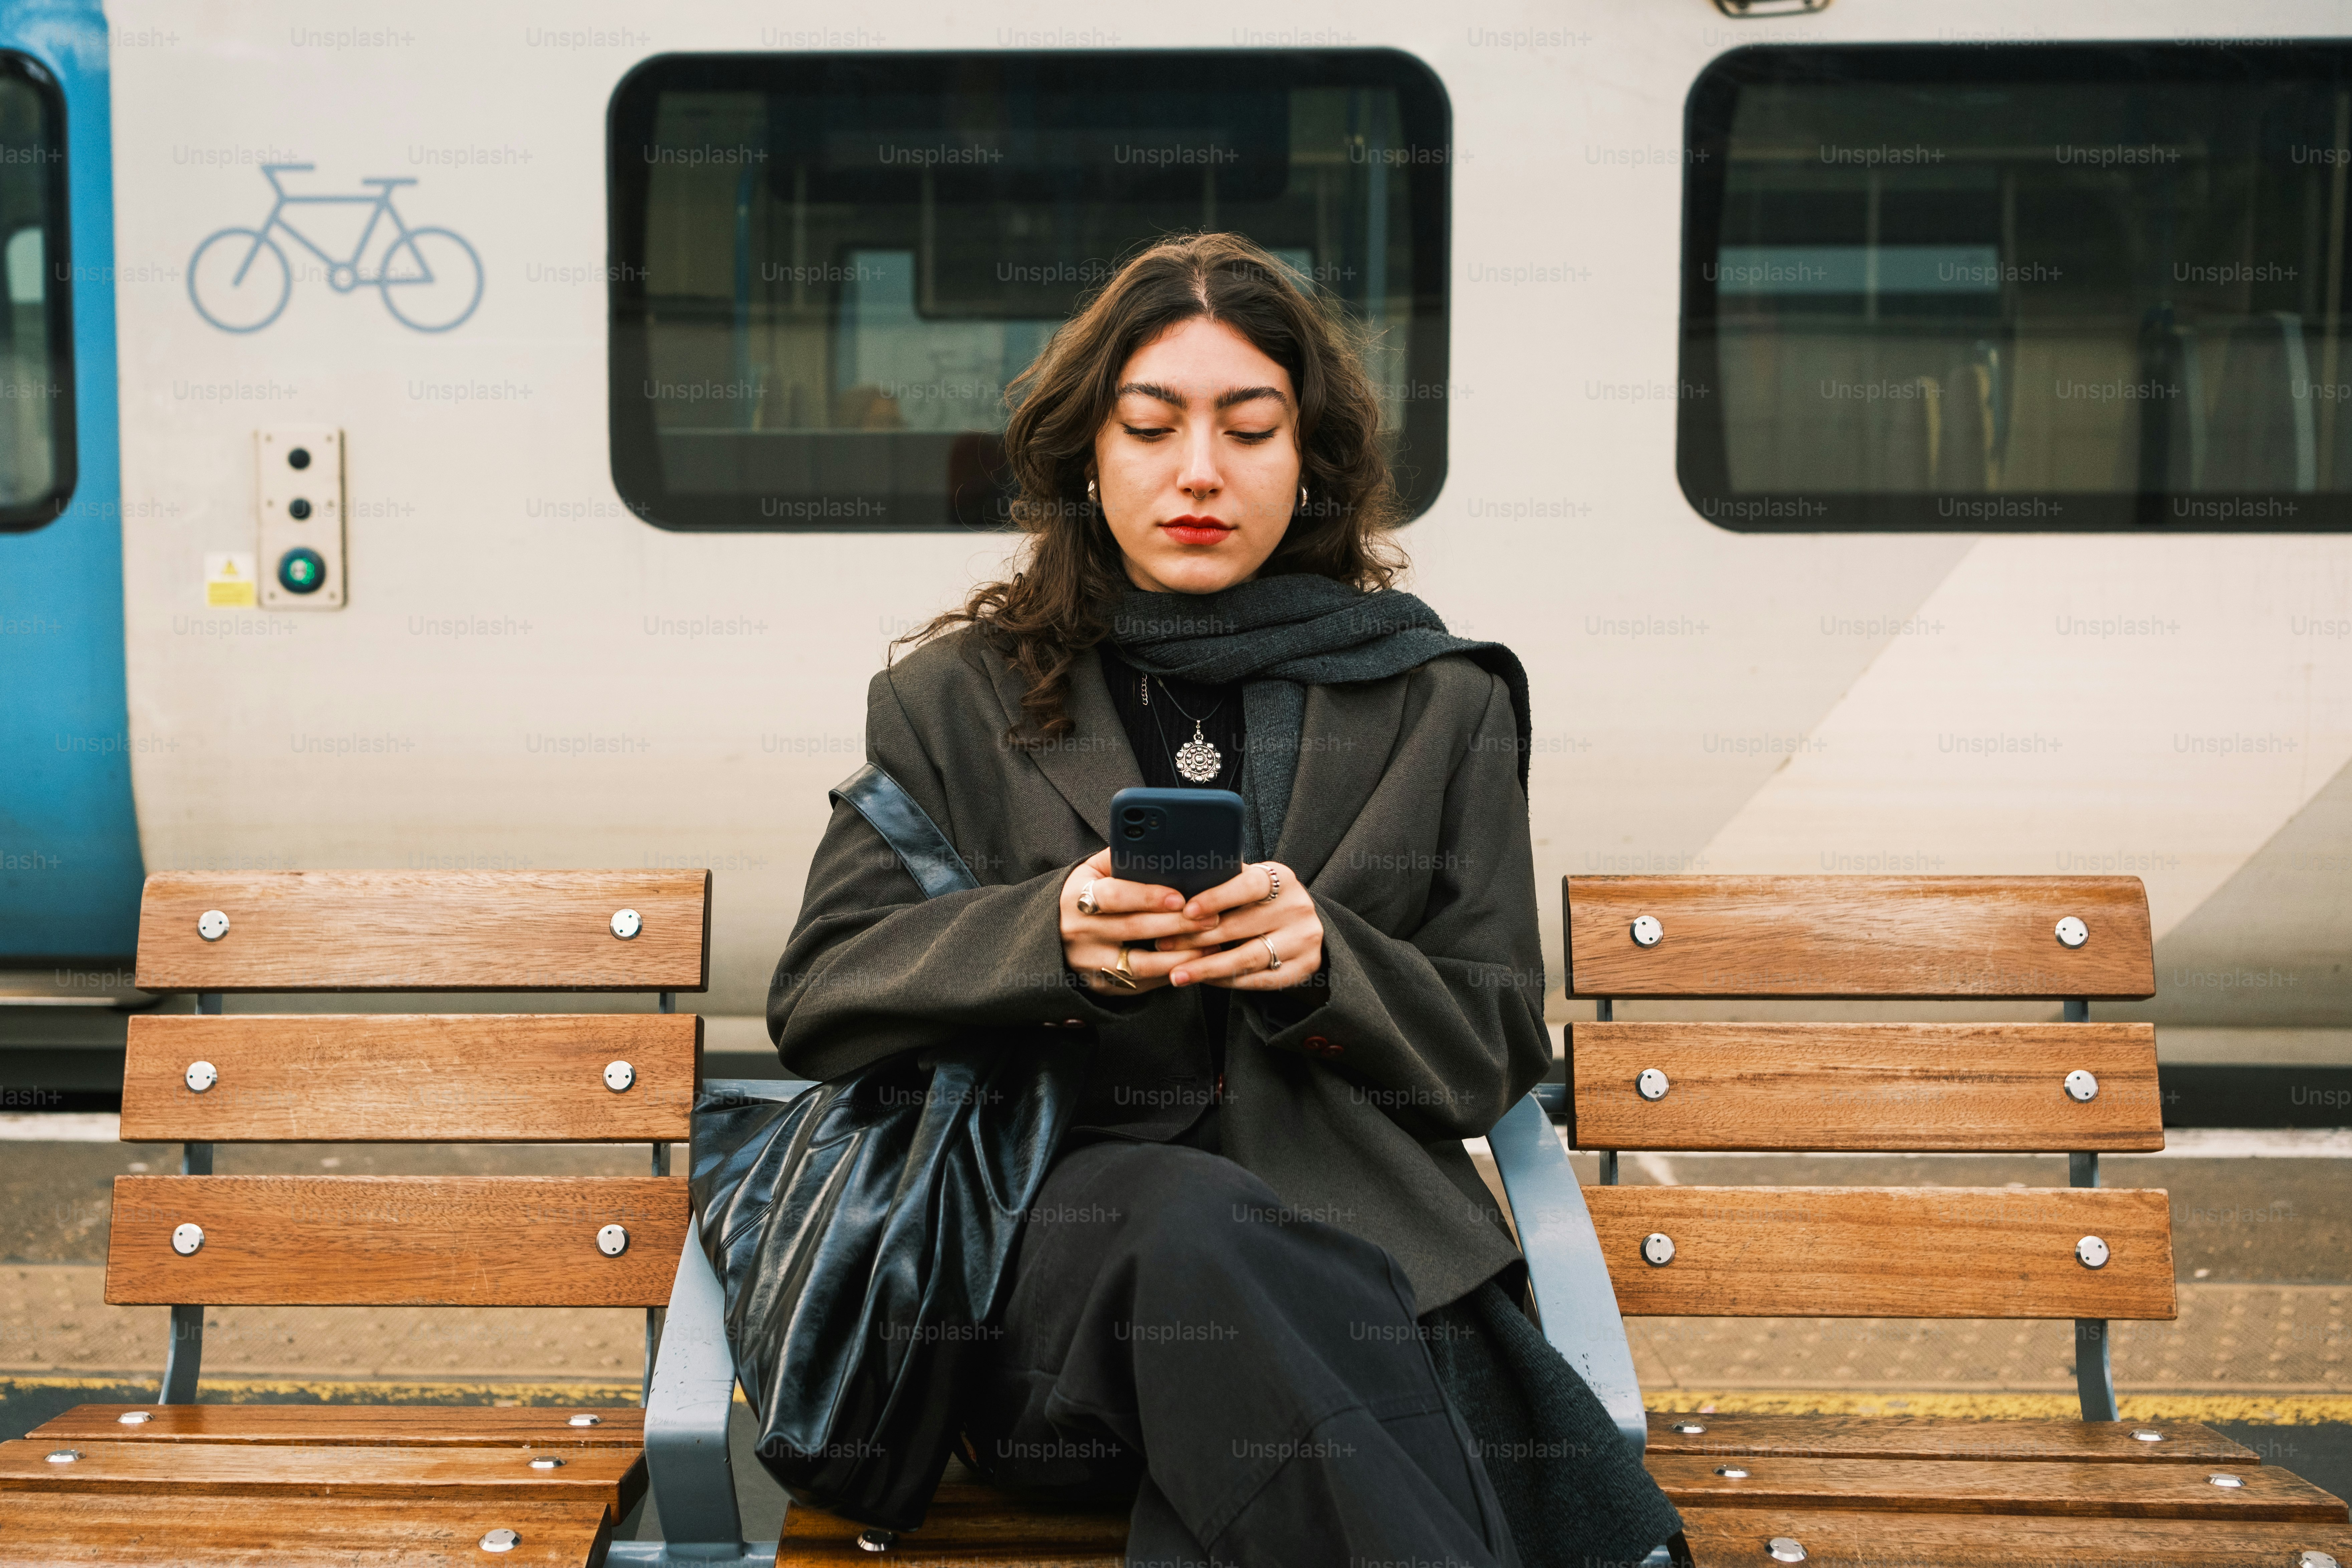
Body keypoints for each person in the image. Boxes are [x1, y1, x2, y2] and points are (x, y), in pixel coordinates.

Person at [770, 233, 1683, 1568]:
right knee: (1186, 1217)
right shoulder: (955, 699)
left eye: (1249, 429)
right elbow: (821, 992)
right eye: (1151, 426)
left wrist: (1331, 966)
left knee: (1257, 1367)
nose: (1199, 470)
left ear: (1308, 458)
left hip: (1361, 1301)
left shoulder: (1444, 702)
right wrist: (1048, 938)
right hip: (1039, 1317)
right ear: (1091, 451)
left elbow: (1490, 1042)